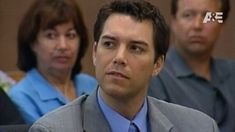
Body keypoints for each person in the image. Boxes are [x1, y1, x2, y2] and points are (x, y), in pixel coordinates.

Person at [29, 1, 219, 132]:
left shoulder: (200, 127)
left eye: (135, 48)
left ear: (157, 64)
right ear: (95, 52)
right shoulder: (51, 129)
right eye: (109, 44)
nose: (119, 58)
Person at [148, 0, 235, 131]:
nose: (197, 25)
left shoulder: (232, 72)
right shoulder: (155, 74)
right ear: (174, 22)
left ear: (222, 24)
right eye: (188, 15)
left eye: (208, 16)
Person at [8, 0, 97, 124]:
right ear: (33, 43)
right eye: (51, 35)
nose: (63, 46)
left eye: (70, 35)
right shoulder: (21, 97)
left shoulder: (91, 84)